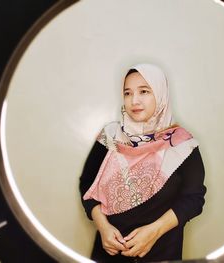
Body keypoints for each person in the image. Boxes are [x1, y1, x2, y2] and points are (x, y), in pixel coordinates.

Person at [79, 63, 206, 263]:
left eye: (144, 91)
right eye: (127, 93)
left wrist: (155, 231)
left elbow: (194, 199)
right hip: (109, 253)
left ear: (160, 94)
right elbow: (87, 184)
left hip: (162, 252)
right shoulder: (110, 136)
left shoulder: (182, 144)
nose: (134, 101)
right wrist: (103, 227)